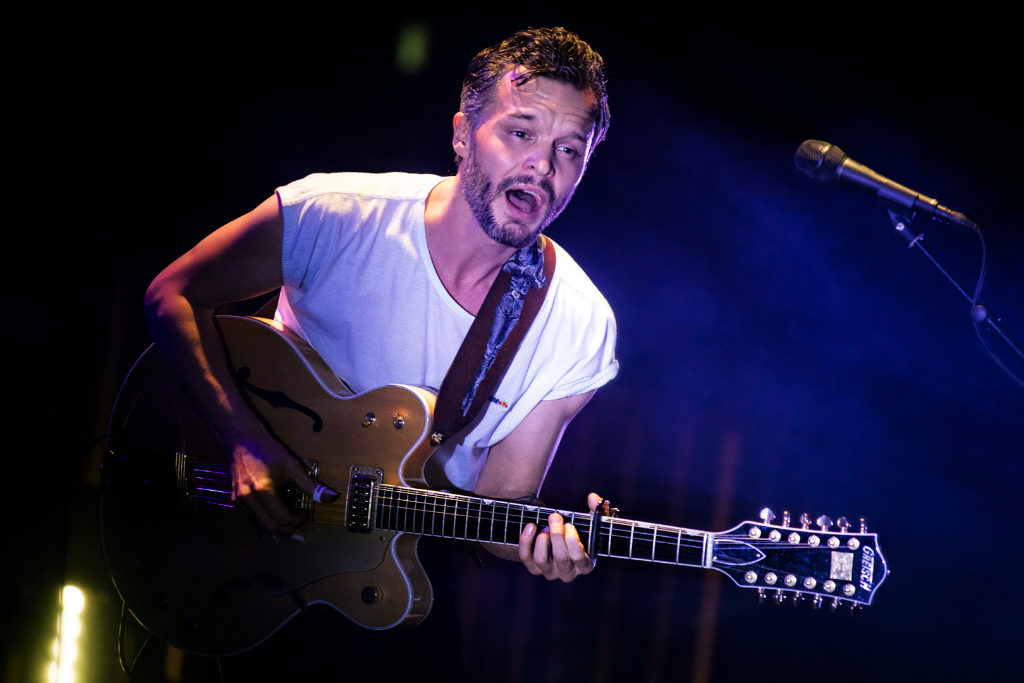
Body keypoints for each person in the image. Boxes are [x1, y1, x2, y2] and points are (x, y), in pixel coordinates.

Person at [142, 26, 617, 680]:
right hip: (256, 547)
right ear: (462, 133)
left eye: (569, 149)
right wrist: (242, 439)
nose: (543, 166)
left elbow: (499, 507)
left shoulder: (579, 323)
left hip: (403, 581)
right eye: (520, 132)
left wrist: (550, 546)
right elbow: (173, 294)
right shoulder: (337, 214)